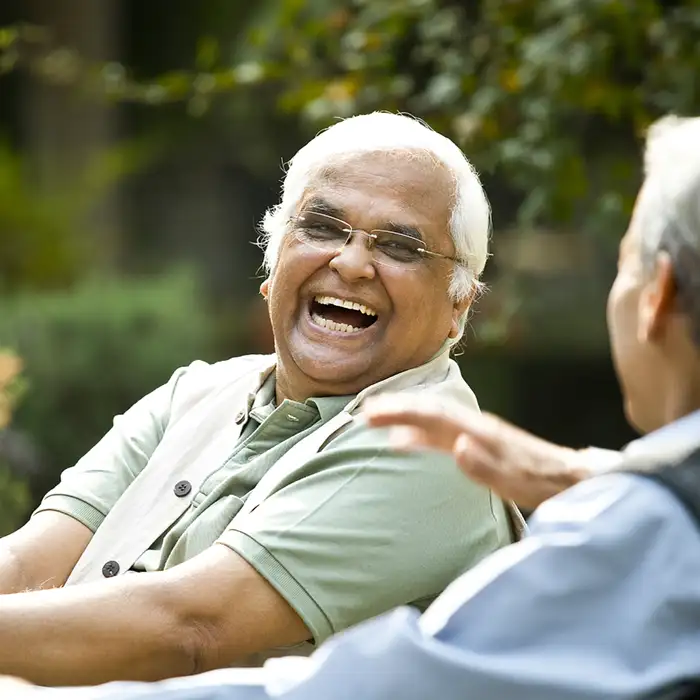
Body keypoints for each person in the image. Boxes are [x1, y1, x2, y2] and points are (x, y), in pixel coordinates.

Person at [9, 113, 700, 700]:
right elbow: (29, 564)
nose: (352, 263)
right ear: (273, 258)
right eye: (322, 227)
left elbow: (191, 629)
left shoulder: (429, 447)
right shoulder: (197, 392)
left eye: (399, 245)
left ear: (460, 307)